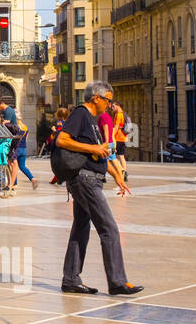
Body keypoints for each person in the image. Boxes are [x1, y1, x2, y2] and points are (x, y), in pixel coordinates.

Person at [55, 81, 141, 297]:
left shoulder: (91, 121)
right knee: (109, 229)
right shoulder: (81, 114)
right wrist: (93, 147)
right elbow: (62, 140)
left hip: (88, 178)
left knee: (81, 228)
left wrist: (116, 174)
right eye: (108, 100)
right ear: (96, 97)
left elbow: (101, 152)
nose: (110, 104)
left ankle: (71, 279)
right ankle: (117, 282)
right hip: (85, 180)